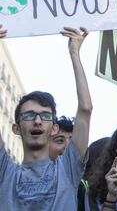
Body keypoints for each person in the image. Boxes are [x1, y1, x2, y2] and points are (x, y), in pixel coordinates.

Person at [0, 26, 93, 211]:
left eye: (45, 116)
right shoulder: (5, 172)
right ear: (16, 128)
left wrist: (75, 52)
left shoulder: (68, 168)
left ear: (54, 128)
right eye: (28, 115)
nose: (37, 121)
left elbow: (85, 108)